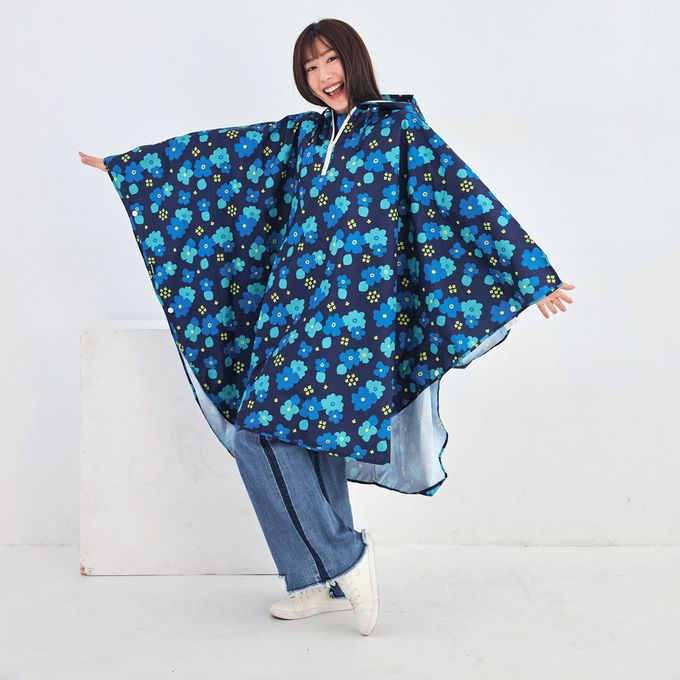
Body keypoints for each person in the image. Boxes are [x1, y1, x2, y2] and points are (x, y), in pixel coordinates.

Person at [79, 18, 574, 637]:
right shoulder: (304, 136)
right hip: (289, 314)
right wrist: (135, 170)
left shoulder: (397, 128)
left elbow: (460, 195)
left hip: (353, 325)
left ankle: (343, 558)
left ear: (353, 59)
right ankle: (321, 581)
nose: (322, 76)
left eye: (330, 60)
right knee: (295, 439)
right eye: (310, 68)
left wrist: (530, 273)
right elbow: (222, 158)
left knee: (263, 435)